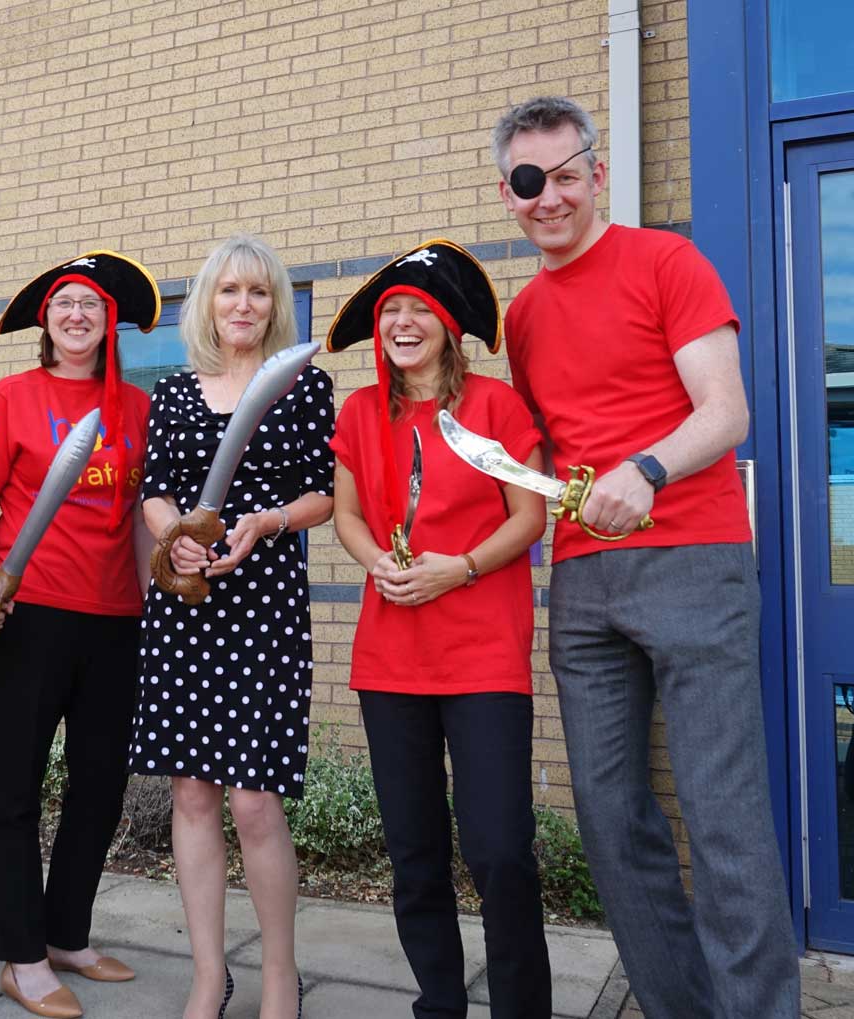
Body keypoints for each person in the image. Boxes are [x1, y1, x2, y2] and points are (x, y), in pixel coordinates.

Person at [491, 95, 799, 1019]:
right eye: (526, 181)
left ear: (596, 171)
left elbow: (726, 411)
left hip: (694, 562)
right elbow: (546, 449)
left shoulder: (667, 260)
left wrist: (647, 467)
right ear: (507, 189)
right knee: (613, 821)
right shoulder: (525, 317)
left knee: (723, 816)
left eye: (565, 175)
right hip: (583, 579)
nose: (548, 198)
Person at [324, 240, 552, 1019]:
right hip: (390, 658)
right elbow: (350, 515)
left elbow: (531, 514)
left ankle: (520, 1006)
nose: (403, 322)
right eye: (392, 311)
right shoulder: (359, 411)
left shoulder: (495, 406)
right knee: (415, 854)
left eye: (420, 309)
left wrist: (461, 567)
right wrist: (378, 564)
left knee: (498, 850)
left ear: (450, 326)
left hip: (484, 653)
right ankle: (440, 1004)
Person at [129, 234, 335, 1019]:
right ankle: (209, 974)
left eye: (257, 291)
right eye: (227, 291)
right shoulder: (176, 393)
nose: (242, 305)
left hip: (264, 603)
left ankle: (280, 973)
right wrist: (175, 530)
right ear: (207, 304)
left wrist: (266, 521)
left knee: (255, 800)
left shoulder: (302, 386)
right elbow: (156, 487)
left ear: (274, 303)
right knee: (191, 792)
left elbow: (322, 490)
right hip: (187, 606)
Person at [0, 251, 158, 1019]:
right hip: (29, 613)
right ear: (46, 318)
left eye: (92, 307)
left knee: (99, 785)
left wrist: (151, 603)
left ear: (109, 324)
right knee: (17, 788)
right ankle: (22, 952)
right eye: (65, 304)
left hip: (114, 622)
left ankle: (68, 931)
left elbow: (141, 517)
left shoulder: (136, 407)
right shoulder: (14, 394)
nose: (78, 316)